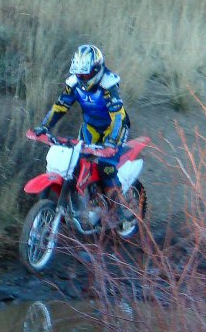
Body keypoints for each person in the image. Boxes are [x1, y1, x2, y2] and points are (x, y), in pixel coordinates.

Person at [33, 44, 133, 221]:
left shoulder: (109, 84)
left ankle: (119, 216)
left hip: (114, 129)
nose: (81, 77)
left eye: (85, 74)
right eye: (78, 74)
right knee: (75, 163)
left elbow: (118, 116)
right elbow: (60, 106)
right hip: (91, 127)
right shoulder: (74, 84)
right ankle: (79, 203)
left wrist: (111, 142)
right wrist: (44, 126)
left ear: (96, 70)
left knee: (106, 167)